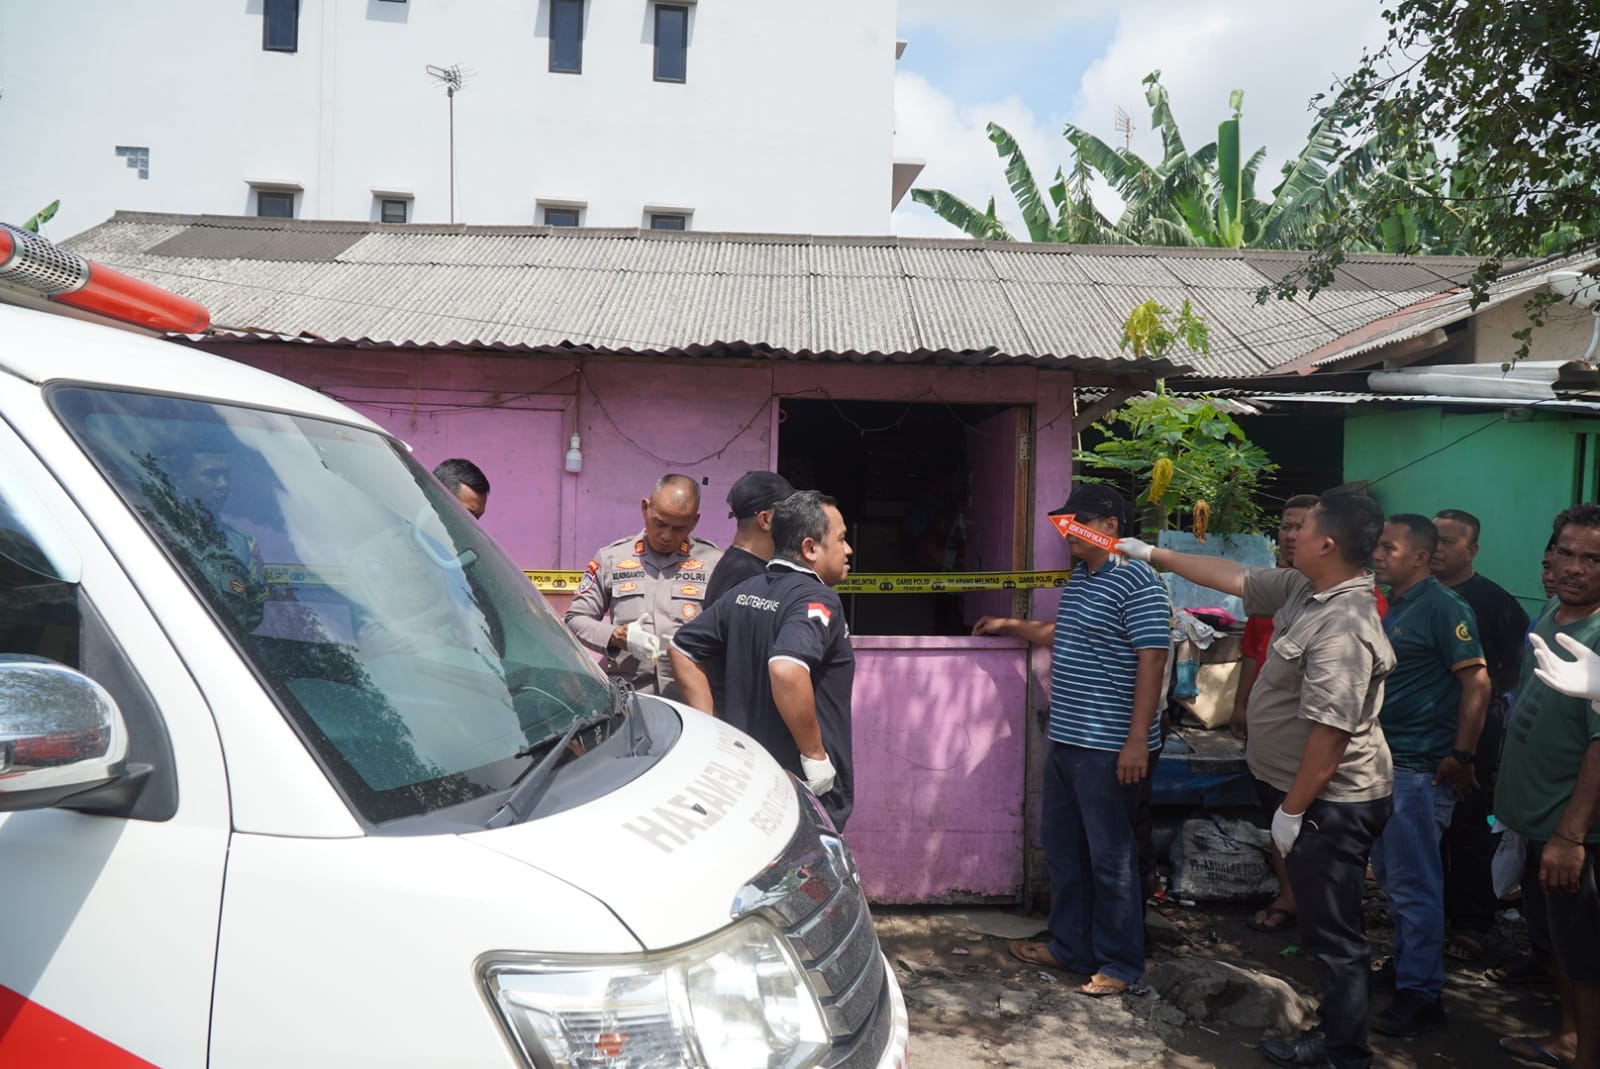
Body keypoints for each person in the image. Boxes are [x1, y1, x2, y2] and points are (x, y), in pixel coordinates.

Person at [1118, 491, 1394, 1069]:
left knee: (1334, 933)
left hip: (1328, 801)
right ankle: (1335, 1032)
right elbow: (1236, 577)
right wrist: (1152, 554)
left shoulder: (1344, 624)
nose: (1290, 537)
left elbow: (1331, 734)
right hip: (1300, 793)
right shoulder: (1304, 588)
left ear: (1328, 544)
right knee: (1321, 923)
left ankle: (1344, 1051)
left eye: (1303, 529)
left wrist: (1293, 812)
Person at [976, 484, 1170, 1000]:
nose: (1067, 533)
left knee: (1111, 858)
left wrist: (1136, 741)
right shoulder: (1084, 577)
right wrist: (1012, 625)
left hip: (1110, 746)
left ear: (1110, 526)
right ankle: (1071, 947)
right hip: (1066, 739)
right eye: (1064, 523)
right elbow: (1070, 634)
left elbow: (1153, 657)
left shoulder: (1139, 580)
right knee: (1065, 850)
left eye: (1077, 522)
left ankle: (1121, 963)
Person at [1365, 514, 1489, 1037]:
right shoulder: (1397, 603)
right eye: (1377, 546)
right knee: (1395, 880)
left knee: (1414, 885)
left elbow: (1477, 682)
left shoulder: (1444, 606)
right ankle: (1406, 968)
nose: (1377, 554)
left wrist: (1462, 753)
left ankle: (1421, 995)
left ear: (1420, 557)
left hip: (1419, 769)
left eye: (1389, 548)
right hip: (1386, 762)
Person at [669, 490, 857, 830]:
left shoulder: (747, 590)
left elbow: (682, 648)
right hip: (800, 791)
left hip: (749, 778)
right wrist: (814, 755)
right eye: (841, 539)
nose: (848, 550)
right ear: (810, 548)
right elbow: (786, 668)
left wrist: (713, 732)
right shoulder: (818, 599)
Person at [1494, 504, 1600, 1069]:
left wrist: (1570, 835)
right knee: (1557, 941)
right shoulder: (1553, 610)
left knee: (1585, 955)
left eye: (1593, 559)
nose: (1575, 567)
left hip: (1572, 832)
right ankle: (1569, 1038)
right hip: (1536, 823)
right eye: (1566, 553)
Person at [1430, 508, 1530, 963]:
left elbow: (1515, 666)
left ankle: (1472, 922)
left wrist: (1480, 707)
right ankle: (1428, 915)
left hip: (1472, 732)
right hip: (1420, 732)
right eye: (1433, 538)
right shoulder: (1414, 594)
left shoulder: (1493, 601)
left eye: (1449, 542)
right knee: (1421, 825)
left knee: (1467, 823)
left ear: (1472, 550)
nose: (1437, 548)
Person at [1236, 494, 1316, 935]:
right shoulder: (1280, 588)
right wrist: (1241, 706)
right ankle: (1290, 895)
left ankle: (1318, 909)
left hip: (1311, 739)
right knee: (1275, 815)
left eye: (1301, 527)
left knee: (1308, 822)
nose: (1290, 536)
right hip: (1270, 736)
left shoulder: (1353, 602)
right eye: (1286, 526)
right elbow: (1252, 653)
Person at [565, 474, 721, 697]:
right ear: (645, 508)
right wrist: (617, 636)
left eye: (679, 528)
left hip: (691, 699)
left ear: (694, 521)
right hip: (630, 697)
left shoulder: (713, 563)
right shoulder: (611, 558)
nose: (666, 535)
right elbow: (575, 619)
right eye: (660, 523)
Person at [169, 443, 269, 631]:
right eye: (212, 475)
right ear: (181, 478)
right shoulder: (151, 528)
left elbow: (253, 615)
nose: (223, 484)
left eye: (226, 476)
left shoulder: (244, 544)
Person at [704, 471, 794, 606]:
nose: (795, 521)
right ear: (765, 520)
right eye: (789, 513)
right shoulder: (748, 578)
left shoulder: (735, 567)